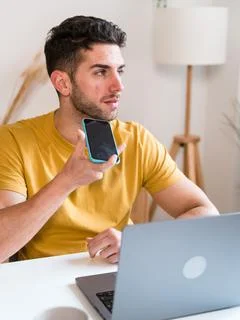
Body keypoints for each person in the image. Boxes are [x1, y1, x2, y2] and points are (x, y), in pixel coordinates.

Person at [0, 15, 218, 264]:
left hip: (117, 275)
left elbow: (206, 213)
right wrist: (66, 181)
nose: (118, 86)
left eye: (119, 71)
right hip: (42, 282)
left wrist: (138, 244)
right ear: (62, 83)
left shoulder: (136, 139)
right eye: (101, 72)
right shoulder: (13, 141)